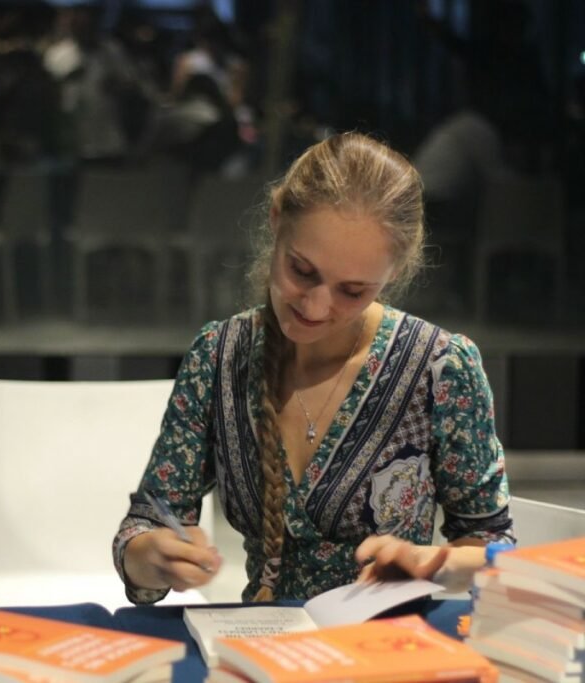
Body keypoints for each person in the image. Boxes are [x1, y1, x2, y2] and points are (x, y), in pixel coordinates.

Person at [113, 132, 515, 604]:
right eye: (302, 271)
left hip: (384, 654)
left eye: (352, 291)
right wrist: (151, 559)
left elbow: (495, 549)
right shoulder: (220, 357)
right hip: (263, 649)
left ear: (392, 274)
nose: (316, 307)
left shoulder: (439, 369)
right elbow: (147, 523)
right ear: (277, 221)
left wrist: (432, 563)